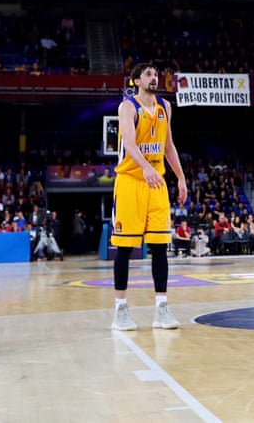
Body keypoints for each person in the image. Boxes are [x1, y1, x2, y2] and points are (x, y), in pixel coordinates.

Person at [110, 63, 188, 331]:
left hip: (156, 183)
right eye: (148, 75)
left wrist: (180, 177)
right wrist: (145, 167)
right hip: (130, 181)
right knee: (125, 248)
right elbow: (129, 144)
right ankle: (120, 310)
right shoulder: (128, 107)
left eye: (156, 75)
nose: (154, 78)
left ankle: (161, 309)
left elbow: (169, 146)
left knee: (160, 246)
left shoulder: (166, 107)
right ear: (136, 81)